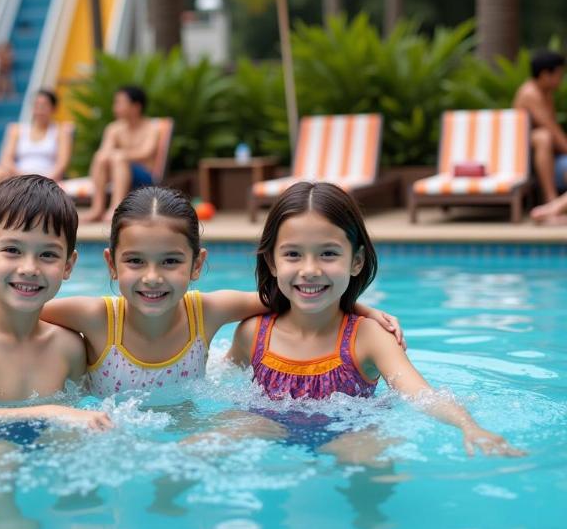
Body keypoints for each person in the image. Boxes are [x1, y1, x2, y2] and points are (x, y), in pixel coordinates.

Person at [0, 186, 404, 396]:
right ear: (111, 263)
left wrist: (359, 307)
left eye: (171, 262)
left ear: (197, 265)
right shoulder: (94, 318)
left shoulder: (209, 312)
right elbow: (26, 302)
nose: (152, 278)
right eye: (135, 262)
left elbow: (297, 292)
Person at [227, 181, 522, 457]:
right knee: (204, 445)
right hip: (268, 428)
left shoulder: (368, 337)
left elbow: (422, 395)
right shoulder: (253, 333)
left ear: (356, 261)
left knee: (365, 455)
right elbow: (217, 380)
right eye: (292, 254)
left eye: (328, 254)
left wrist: (467, 425)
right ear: (272, 262)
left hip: (352, 434)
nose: (310, 269)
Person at [0, 174, 112, 429]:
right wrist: (50, 412)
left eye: (48, 254)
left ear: (68, 266)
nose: (29, 268)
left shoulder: (69, 347)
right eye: (12, 250)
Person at [81, 86, 159, 222]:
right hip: (117, 173)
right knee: (100, 157)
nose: (115, 107)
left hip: (143, 176)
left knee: (118, 158)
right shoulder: (114, 128)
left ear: (136, 106)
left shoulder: (151, 127)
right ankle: (97, 207)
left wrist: (120, 155)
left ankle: (116, 208)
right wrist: (115, 156)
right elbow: (105, 153)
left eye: (120, 103)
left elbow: (146, 152)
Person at [513, 50, 567, 203]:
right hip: (524, 153)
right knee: (543, 136)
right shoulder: (531, 93)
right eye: (559, 74)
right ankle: (550, 198)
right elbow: (551, 129)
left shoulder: (546, 93)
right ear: (545, 75)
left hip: (549, 155)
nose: (561, 79)